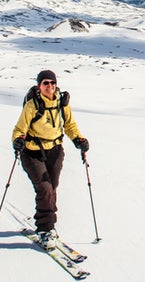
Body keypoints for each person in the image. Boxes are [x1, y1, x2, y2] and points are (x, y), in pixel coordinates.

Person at [12, 69, 90, 250]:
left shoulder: (61, 103)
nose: (50, 86)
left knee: (52, 186)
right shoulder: (32, 105)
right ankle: (45, 229)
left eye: (52, 83)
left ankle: (48, 223)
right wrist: (18, 140)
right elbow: (19, 128)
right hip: (32, 152)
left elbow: (69, 124)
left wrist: (79, 139)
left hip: (55, 150)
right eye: (46, 83)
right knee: (45, 188)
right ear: (39, 85)